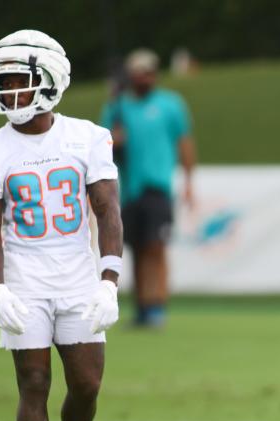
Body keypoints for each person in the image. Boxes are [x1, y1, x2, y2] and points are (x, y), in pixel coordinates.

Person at [0, 30, 123, 421]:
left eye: (20, 81)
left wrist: (109, 280)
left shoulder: (87, 137)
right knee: (33, 382)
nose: (10, 92)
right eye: (3, 82)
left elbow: (108, 211)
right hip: (26, 280)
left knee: (87, 387)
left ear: (52, 81)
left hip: (78, 278)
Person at [101, 48, 195, 328]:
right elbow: (102, 146)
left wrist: (190, 182)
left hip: (158, 187)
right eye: (140, 72)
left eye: (150, 72)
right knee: (136, 249)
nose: (146, 77)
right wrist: (114, 140)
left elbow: (185, 143)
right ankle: (142, 307)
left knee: (156, 247)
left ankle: (157, 305)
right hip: (129, 189)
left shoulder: (170, 105)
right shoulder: (117, 108)